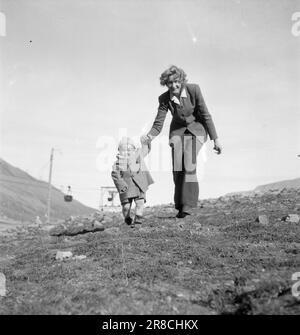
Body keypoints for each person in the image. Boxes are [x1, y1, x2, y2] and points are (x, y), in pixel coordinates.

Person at [141, 65, 222, 218]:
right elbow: (158, 123)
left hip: (197, 130)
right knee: (178, 168)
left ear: (182, 80)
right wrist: (149, 136)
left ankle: (188, 205)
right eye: (170, 83)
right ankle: (180, 204)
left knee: (189, 163)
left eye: (177, 81)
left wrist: (215, 139)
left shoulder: (194, 90)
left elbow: (205, 114)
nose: (174, 85)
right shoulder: (164, 99)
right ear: (166, 84)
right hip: (177, 132)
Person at [111, 136, 154, 227]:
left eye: (130, 149)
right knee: (126, 207)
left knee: (140, 203)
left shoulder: (138, 156)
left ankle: (138, 221)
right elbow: (115, 175)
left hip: (139, 185)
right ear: (119, 150)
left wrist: (145, 142)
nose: (127, 151)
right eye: (124, 149)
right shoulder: (117, 164)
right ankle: (127, 217)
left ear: (134, 149)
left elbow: (145, 150)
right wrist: (121, 185)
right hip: (126, 188)